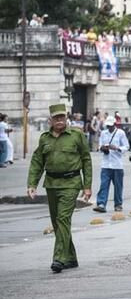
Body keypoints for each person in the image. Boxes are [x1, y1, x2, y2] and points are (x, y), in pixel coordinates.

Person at [27, 103, 92, 273]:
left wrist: (87, 186)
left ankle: (59, 258)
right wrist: (32, 184)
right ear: (50, 120)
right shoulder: (44, 138)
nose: (60, 120)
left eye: (62, 117)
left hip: (71, 183)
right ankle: (70, 257)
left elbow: (86, 160)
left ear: (66, 118)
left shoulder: (76, 136)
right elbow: (37, 162)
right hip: (51, 184)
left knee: (63, 219)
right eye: (56, 118)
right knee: (58, 223)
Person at [93, 116, 129, 213]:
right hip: (105, 164)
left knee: (118, 186)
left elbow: (126, 146)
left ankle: (118, 204)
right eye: (108, 126)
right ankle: (101, 204)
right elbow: (100, 146)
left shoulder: (120, 133)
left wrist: (116, 148)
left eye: (111, 126)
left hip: (117, 164)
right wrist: (103, 149)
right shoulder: (103, 133)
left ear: (114, 124)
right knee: (103, 185)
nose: (109, 128)